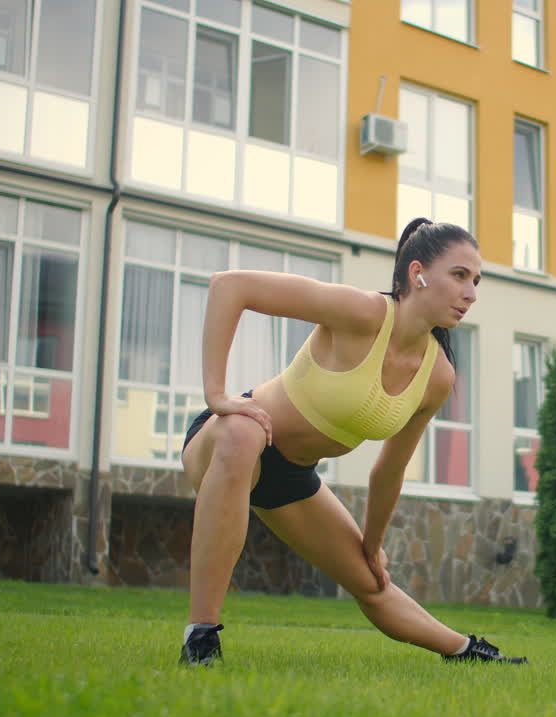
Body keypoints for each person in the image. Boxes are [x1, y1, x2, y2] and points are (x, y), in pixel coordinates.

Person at [178, 218, 526, 666]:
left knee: (372, 582)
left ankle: (465, 650)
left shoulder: (437, 376)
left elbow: (389, 470)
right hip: (228, 441)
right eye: (460, 276)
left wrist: (371, 545)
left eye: (476, 281)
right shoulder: (362, 313)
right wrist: (218, 396)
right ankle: (201, 638)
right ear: (417, 273)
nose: (471, 293)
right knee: (245, 431)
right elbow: (230, 287)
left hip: (291, 479)